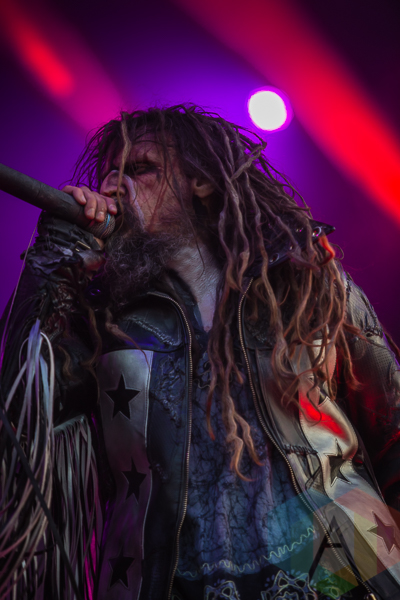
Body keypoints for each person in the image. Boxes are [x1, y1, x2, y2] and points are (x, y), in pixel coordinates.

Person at [0, 105, 400, 600]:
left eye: (140, 168)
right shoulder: (102, 323)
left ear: (202, 182)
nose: (111, 187)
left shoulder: (304, 282)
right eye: (107, 175)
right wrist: (55, 252)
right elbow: (20, 415)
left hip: (338, 579)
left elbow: (393, 432)